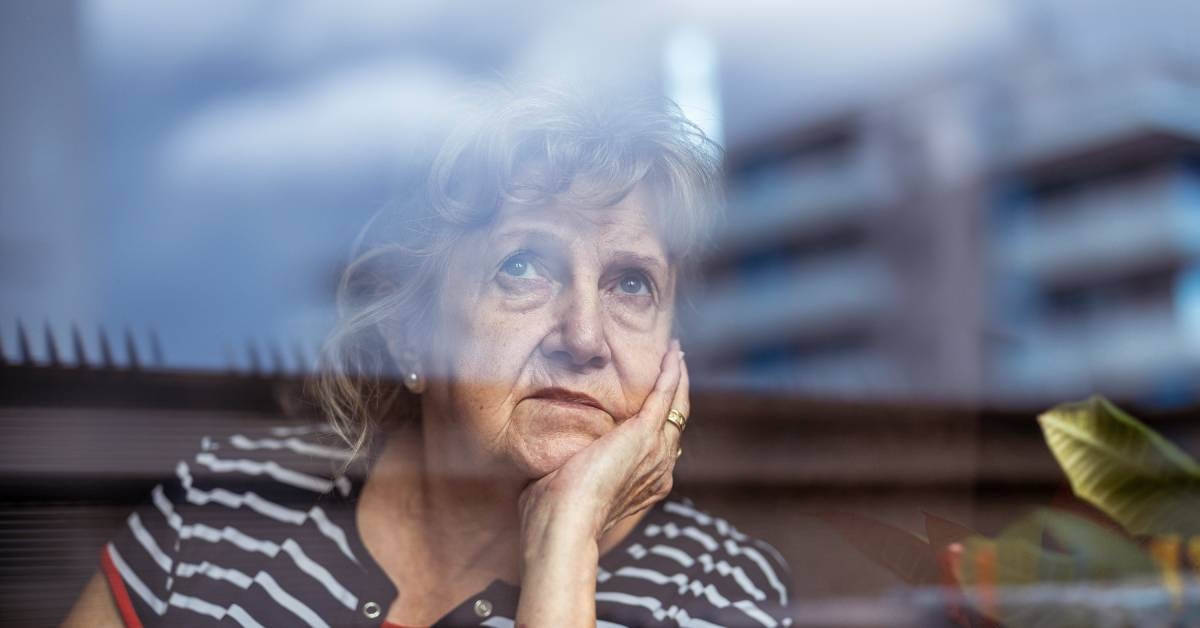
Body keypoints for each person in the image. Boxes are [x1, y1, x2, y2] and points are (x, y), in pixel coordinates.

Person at [63, 85, 795, 627]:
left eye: (631, 283)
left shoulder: (714, 590)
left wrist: (565, 550)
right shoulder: (228, 509)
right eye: (523, 268)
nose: (584, 336)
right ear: (412, 330)